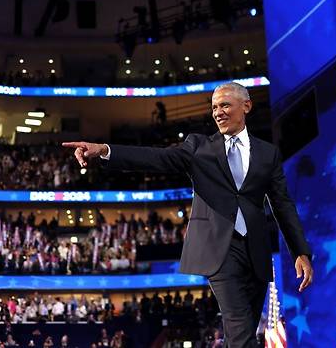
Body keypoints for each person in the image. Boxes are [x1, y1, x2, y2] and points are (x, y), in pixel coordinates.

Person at [63, 82, 313, 347]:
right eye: (215, 107)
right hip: (220, 251)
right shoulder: (198, 147)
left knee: (242, 334)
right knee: (241, 332)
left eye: (225, 105)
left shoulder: (267, 153)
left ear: (247, 106)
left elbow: (282, 204)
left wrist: (300, 251)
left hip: (256, 252)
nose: (218, 112)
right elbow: (155, 158)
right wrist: (104, 150)